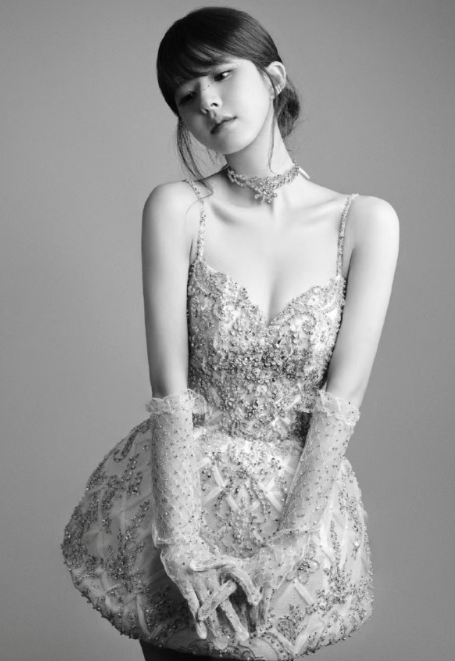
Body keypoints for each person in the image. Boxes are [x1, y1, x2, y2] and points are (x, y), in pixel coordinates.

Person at [62, 6, 399, 660]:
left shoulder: (365, 222)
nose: (207, 102)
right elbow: (171, 392)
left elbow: (339, 403)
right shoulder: (178, 208)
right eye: (186, 96)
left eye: (220, 75)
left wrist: (287, 549)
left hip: (295, 510)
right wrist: (183, 549)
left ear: (273, 78)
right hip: (183, 499)